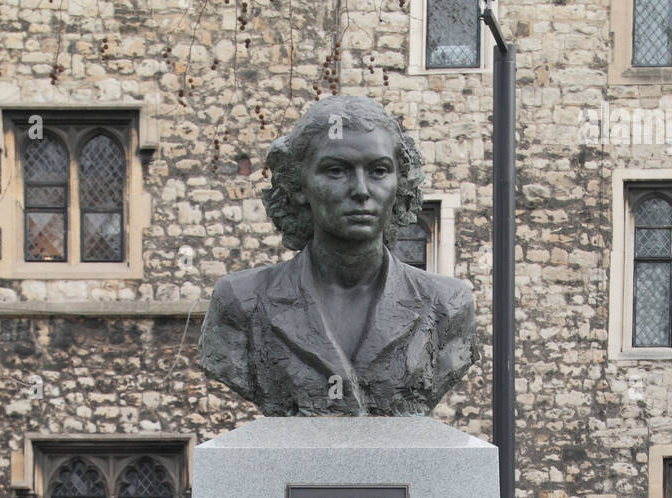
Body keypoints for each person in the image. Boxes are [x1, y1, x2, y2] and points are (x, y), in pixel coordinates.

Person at [198, 96, 480, 416]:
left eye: (378, 171)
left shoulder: (448, 305)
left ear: (400, 183)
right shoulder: (240, 302)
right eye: (336, 171)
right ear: (299, 184)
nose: (360, 190)